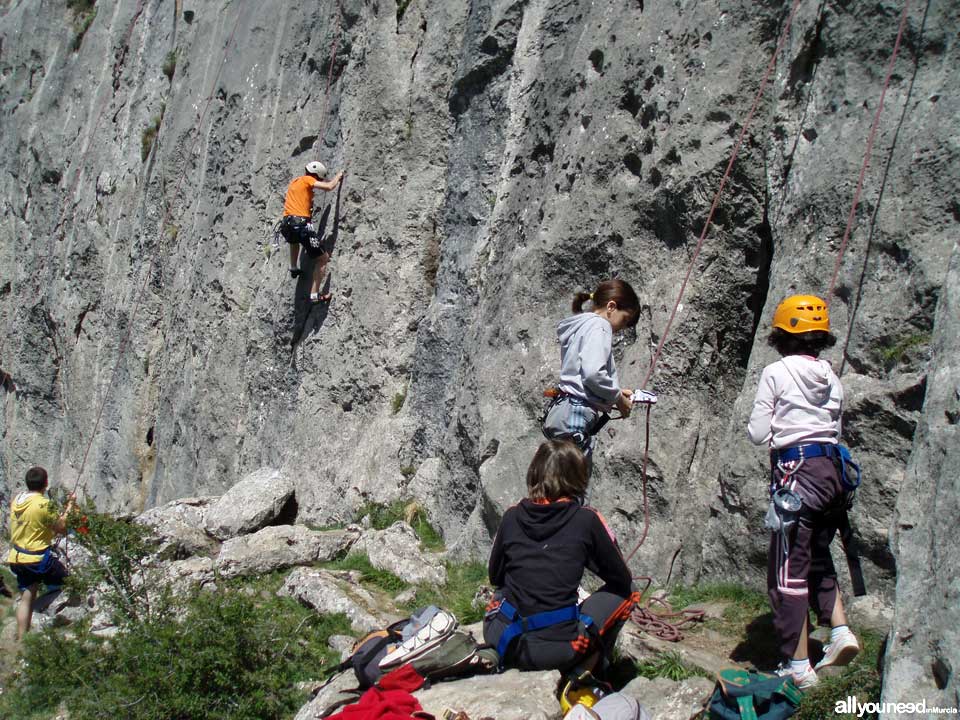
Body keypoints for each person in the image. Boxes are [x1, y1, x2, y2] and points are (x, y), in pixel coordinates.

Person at [747, 294, 860, 690]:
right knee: (816, 554)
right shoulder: (833, 377)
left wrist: (783, 424)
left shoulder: (776, 373)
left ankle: (797, 666)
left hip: (797, 475)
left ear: (781, 333)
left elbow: (758, 434)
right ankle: (841, 631)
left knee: (787, 573)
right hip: (833, 472)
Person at [483, 440, 638, 679]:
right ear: (578, 478)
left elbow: (496, 576)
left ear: (534, 473)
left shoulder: (512, 516)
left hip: (503, 638)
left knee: (502, 591)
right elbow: (621, 578)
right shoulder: (587, 520)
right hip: (558, 650)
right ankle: (590, 667)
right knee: (630, 591)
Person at [542, 279, 642, 466]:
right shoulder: (600, 326)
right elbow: (593, 374)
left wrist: (615, 392)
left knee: (557, 483)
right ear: (611, 306)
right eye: (625, 319)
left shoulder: (581, 325)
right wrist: (618, 400)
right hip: (576, 414)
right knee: (571, 486)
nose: (621, 328)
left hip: (563, 411)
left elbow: (582, 376)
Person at [7, 466, 76, 640]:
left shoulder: (17, 500)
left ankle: (22, 638)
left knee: (27, 595)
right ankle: (57, 620)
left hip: (17, 558)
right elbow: (62, 528)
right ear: (45, 484)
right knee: (68, 582)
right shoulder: (43, 504)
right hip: (37, 560)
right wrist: (70, 507)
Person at [281, 160, 344, 303]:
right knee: (323, 258)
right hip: (301, 225)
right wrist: (338, 176)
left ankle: (293, 267)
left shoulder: (294, 182)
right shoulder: (309, 179)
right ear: (317, 175)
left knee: (294, 240)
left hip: (287, 224)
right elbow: (329, 186)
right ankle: (315, 296)